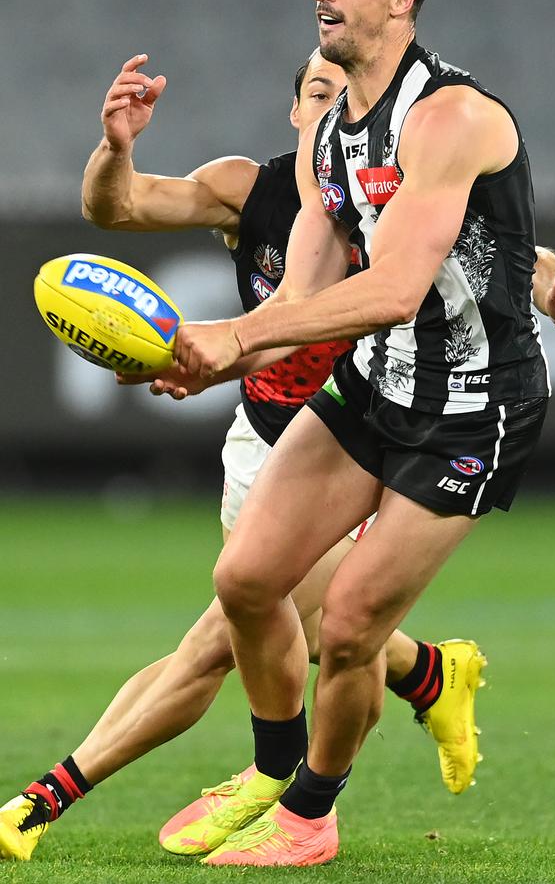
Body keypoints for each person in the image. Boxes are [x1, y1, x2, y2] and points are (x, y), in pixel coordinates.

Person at [154, 0, 555, 867]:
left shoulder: (447, 117)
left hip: (470, 408)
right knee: (243, 578)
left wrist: (229, 334)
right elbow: (306, 295)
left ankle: (307, 819)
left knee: (354, 621)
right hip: (376, 385)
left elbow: (393, 287)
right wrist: (205, 362)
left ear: (401, 0)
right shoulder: (332, 137)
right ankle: (273, 768)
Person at [0, 51, 489, 864]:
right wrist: (116, 150)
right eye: (322, 95)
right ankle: (431, 675)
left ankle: (43, 801)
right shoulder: (248, 190)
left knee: (226, 638)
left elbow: (505, 257)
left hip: (359, 453)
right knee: (328, 637)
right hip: (262, 452)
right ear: (299, 115)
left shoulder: (399, 203)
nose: (341, 110)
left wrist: (552, 288)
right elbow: (116, 209)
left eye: (353, 98)